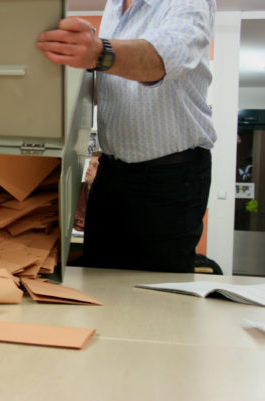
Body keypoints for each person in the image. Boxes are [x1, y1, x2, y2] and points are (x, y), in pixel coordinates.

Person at [37, 0, 216, 273]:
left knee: (158, 291)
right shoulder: (113, 6)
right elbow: (108, 86)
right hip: (111, 171)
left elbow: (164, 57)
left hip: (170, 175)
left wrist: (99, 52)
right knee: (98, 276)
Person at [73, 152, 100, 232]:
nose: (88, 168)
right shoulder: (75, 190)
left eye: (95, 166)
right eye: (89, 164)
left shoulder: (111, 197)